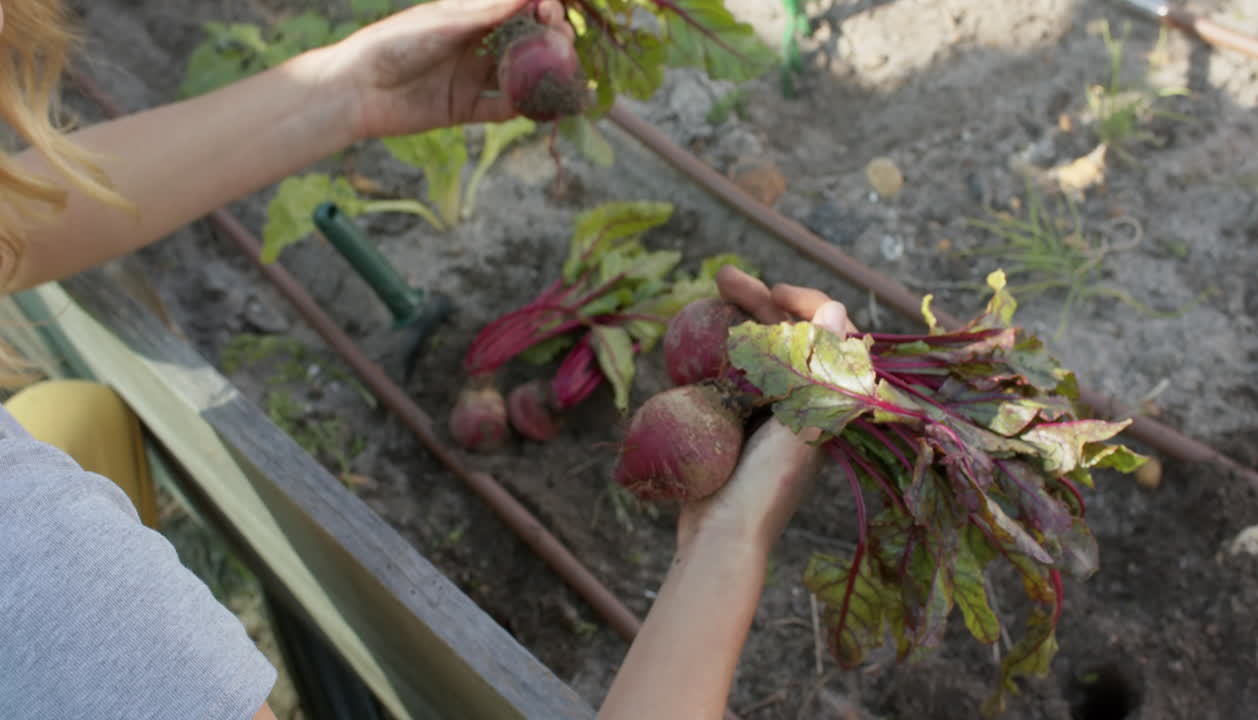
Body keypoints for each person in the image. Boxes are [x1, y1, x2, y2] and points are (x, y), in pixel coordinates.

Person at [0, 1, 852, 719]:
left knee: (80, 412)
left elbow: (16, 216)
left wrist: (356, 87)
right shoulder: (49, 571)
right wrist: (729, 539)